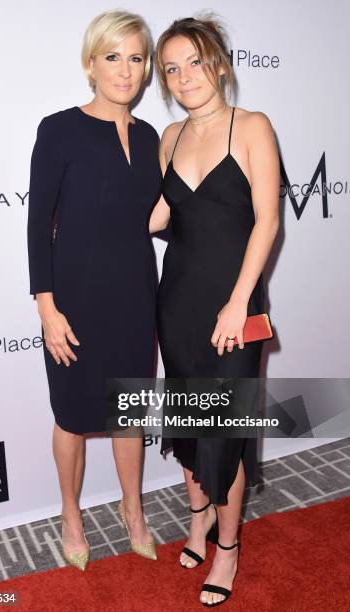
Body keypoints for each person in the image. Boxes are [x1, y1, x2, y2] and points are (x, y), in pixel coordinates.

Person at [149, 14, 280, 606]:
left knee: (223, 434)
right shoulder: (168, 138)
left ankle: (227, 548)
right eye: (171, 69)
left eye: (193, 63)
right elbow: (157, 217)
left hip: (235, 307)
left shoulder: (251, 126)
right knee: (187, 423)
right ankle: (197, 518)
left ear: (218, 63)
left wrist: (237, 302)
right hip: (176, 302)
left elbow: (268, 222)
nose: (183, 78)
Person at [27, 10, 162, 570]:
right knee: (74, 414)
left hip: (135, 294)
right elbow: (38, 223)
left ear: (146, 67)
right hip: (74, 298)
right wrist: (47, 307)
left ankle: (133, 511)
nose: (124, 70)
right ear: (91, 64)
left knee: (127, 410)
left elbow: (150, 218)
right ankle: (71, 513)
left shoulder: (152, 135)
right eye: (112, 57)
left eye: (135, 57)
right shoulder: (58, 129)